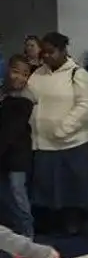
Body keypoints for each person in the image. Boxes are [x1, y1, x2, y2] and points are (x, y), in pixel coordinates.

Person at [28, 32, 88, 236]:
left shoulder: (77, 74)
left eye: (51, 52)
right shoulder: (37, 74)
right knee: (46, 185)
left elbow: (87, 104)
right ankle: (51, 221)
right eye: (44, 52)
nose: (46, 56)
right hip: (42, 142)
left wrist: (64, 128)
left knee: (73, 185)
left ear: (63, 51)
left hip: (72, 141)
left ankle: (74, 221)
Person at [0, 55, 35, 237]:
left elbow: (11, 131)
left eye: (25, 74)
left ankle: (28, 235)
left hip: (18, 157)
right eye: (15, 72)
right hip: (4, 157)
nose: (19, 77)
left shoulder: (25, 100)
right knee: (7, 198)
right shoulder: (4, 95)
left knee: (18, 194)